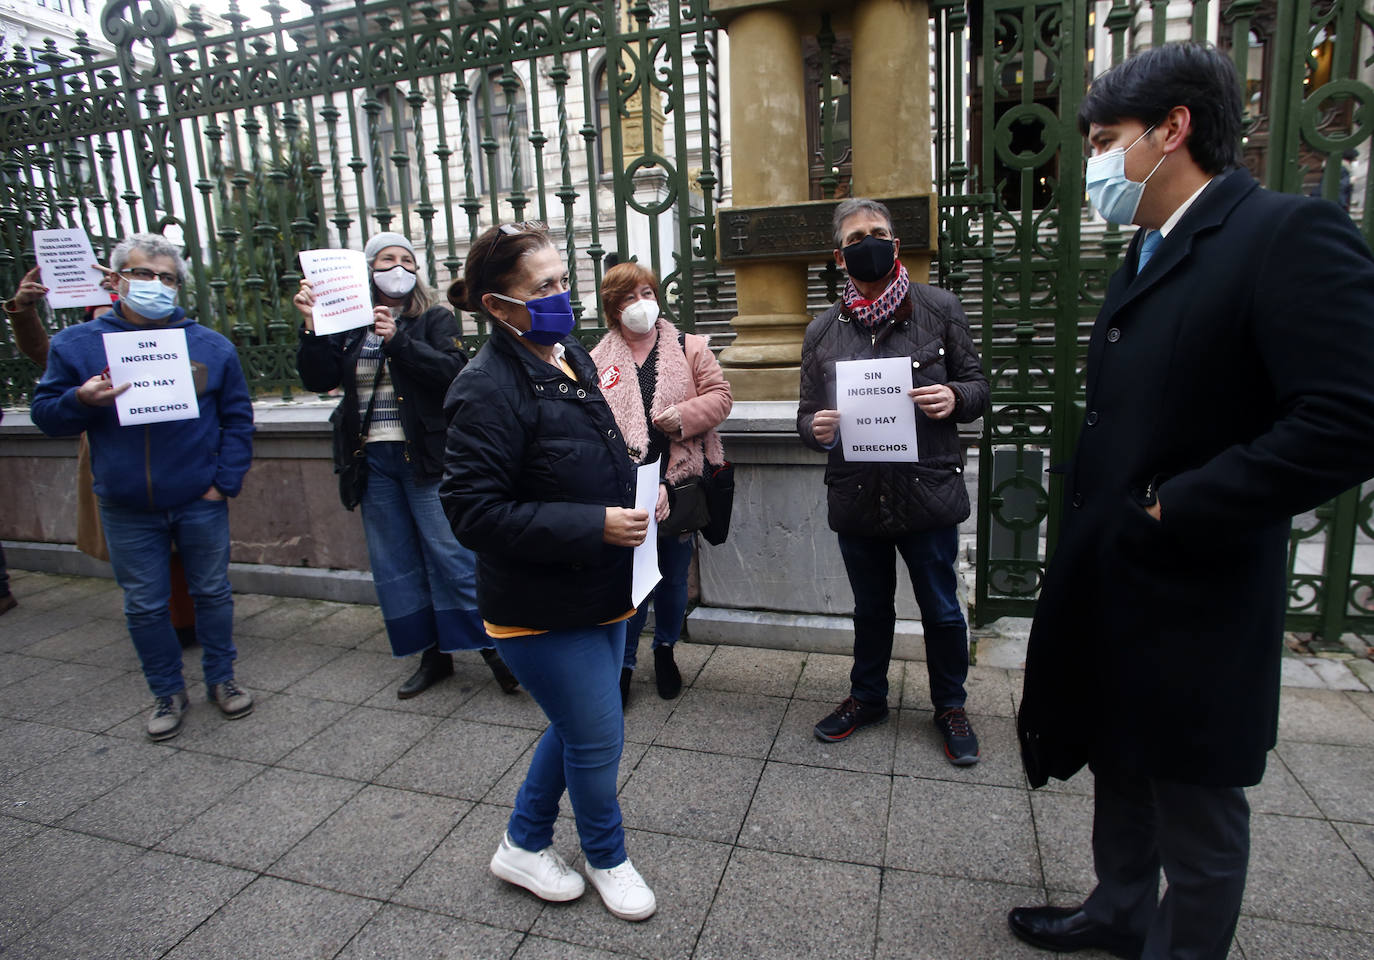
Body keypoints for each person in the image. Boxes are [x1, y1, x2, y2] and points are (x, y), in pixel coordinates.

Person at [1009, 43, 1374, 960]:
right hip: (1118, 577)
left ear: (1172, 131)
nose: (1092, 164)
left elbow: (1350, 414)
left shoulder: (1285, 235)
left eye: (1105, 141)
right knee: (1121, 762)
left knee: (1197, 804)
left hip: (1197, 589)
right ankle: (1118, 909)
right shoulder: (1146, 248)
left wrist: (1186, 504)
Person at [441, 222, 656, 922]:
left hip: (602, 584)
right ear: (499, 306)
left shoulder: (566, 356)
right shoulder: (485, 387)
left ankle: (523, 843)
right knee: (598, 734)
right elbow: (474, 512)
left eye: (563, 281)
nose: (564, 296)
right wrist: (592, 523)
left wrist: (640, 489)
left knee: (575, 726)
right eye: (546, 287)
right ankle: (607, 856)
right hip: (537, 605)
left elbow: (594, 451)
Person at [29, 233, 256, 741]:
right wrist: (81, 401)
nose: (155, 285)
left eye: (167, 278)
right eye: (143, 275)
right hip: (126, 503)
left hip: (200, 499)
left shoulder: (210, 346)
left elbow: (238, 420)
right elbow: (46, 415)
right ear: (116, 281)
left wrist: (223, 483)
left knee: (213, 594)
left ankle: (222, 679)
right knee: (145, 605)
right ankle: (166, 691)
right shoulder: (78, 344)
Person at [796, 197, 989, 764]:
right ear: (839, 256)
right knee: (870, 608)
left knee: (943, 608)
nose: (869, 243)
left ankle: (951, 706)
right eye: (856, 238)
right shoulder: (822, 332)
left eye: (878, 233)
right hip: (859, 495)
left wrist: (954, 396)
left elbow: (978, 389)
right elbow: (805, 417)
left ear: (897, 244)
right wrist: (818, 427)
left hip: (926, 491)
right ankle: (867, 698)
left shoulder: (940, 308)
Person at [294, 232, 517, 699]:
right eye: (387, 259)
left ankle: (498, 651)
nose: (398, 267)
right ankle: (432, 655)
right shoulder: (346, 323)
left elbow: (453, 373)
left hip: (426, 460)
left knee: (452, 557)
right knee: (396, 562)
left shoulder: (431, 318)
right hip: (371, 461)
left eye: (407, 260)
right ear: (368, 269)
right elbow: (319, 379)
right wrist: (313, 326)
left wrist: (397, 342)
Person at [6, 264, 199, 645]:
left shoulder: (169, 322)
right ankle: (158, 628)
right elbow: (46, 358)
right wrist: (24, 312)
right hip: (115, 453)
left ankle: (187, 621)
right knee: (140, 557)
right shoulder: (82, 338)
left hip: (174, 449)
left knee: (184, 552)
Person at [590, 262, 732, 706]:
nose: (642, 304)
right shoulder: (597, 359)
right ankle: (625, 664)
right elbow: (593, 424)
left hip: (681, 479)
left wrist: (686, 417)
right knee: (631, 581)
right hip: (626, 487)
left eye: (648, 293)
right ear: (614, 309)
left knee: (671, 578)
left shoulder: (688, 347)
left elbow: (721, 397)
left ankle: (665, 649)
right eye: (630, 297)